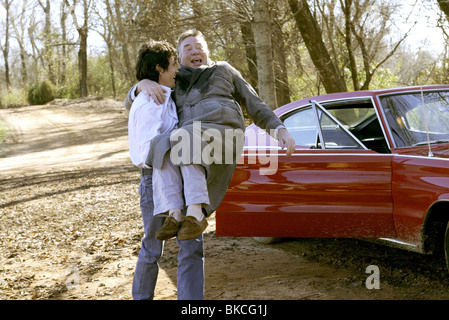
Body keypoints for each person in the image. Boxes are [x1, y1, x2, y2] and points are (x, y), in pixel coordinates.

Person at [128, 40, 206, 300]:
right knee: (152, 248)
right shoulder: (150, 100)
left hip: (182, 176)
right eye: (172, 65)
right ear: (160, 68)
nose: (177, 71)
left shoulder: (165, 92)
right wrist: (181, 139)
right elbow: (150, 150)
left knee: (191, 243)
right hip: (155, 180)